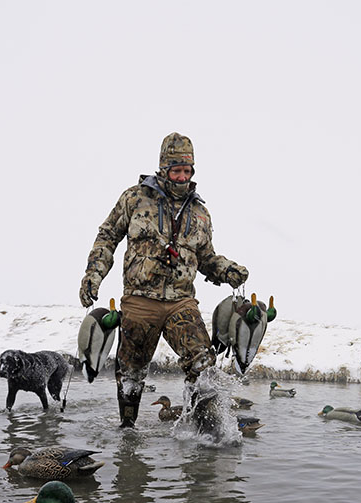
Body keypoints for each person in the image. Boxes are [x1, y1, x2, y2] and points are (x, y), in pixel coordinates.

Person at [79, 133, 249, 427]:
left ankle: (204, 432)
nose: (182, 177)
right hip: (139, 301)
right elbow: (107, 236)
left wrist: (227, 270)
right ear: (163, 168)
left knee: (203, 365)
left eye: (187, 170)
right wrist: (93, 274)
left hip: (181, 302)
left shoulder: (200, 213)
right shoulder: (135, 198)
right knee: (131, 373)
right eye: (176, 170)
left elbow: (206, 258)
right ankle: (127, 433)